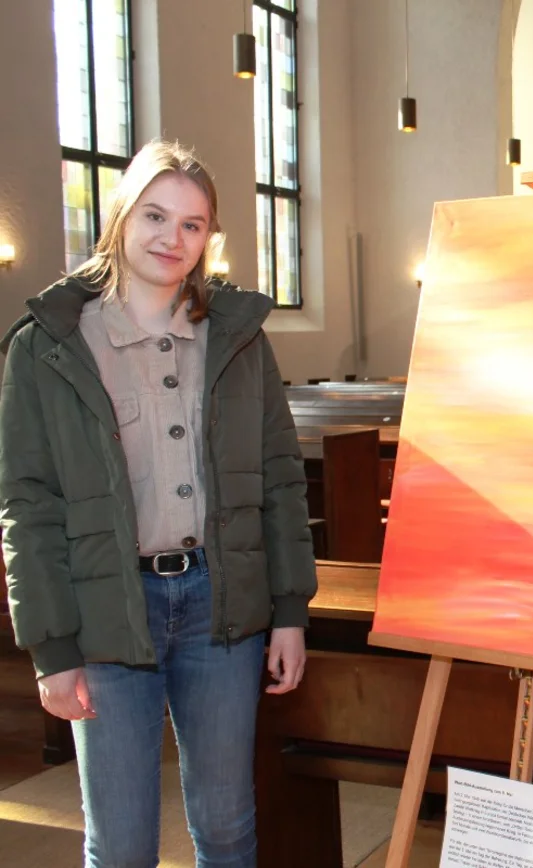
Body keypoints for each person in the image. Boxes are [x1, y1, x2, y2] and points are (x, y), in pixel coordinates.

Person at [0, 139, 317, 867]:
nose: (171, 238)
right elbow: (28, 504)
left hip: (221, 605)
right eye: (155, 215)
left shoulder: (236, 340)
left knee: (229, 826)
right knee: (120, 844)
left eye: (192, 224)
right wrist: (53, 649)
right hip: (107, 608)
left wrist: (291, 611)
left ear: (209, 238)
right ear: (121, 216)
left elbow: (278, 476)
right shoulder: (46, 347)